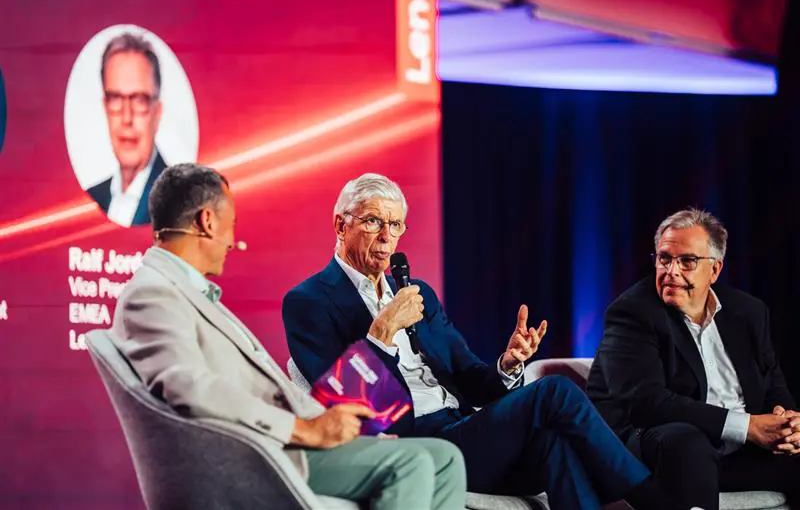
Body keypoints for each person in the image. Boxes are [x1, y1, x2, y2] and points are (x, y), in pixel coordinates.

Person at [283, 173, 697, 510]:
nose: (386, 236)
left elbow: (471, 378)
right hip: (411, 444)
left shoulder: (418, 293)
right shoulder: (308, 302)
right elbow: (342, 402)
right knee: (554, 391)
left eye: (395, 225)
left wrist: (508, 364)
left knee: (553, 444)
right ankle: (656, 504)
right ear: (341, 224)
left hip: (464, 430)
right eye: (374, 221)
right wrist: (383, 333)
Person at [108, 163, 466, 509]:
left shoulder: (187, 292)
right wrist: (303, 429)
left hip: (281, 440)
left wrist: (340, 426)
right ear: (207, 221)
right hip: (257, 454)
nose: (233, 242)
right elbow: (189, 388)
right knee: (411, 463)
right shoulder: (153, 294)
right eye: (232, 224)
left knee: (445, 458)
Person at [587, 208, 800, 510]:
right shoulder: (632, 313)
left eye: (687, 261)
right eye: (664, 258)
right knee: (688, 442)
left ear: (714, 270)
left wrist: (789, 423)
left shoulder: (748, 312)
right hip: (656, 449)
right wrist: (747, 426)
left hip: (737, 454)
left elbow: (772, 382)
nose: (671, 271)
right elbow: (646, 402)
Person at [87, 32, 166, 227]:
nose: (127, 118)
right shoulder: (91, 199)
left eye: (139, 100)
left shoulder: (178, 201)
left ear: (157, 112)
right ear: (105, 107)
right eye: (116, 98)